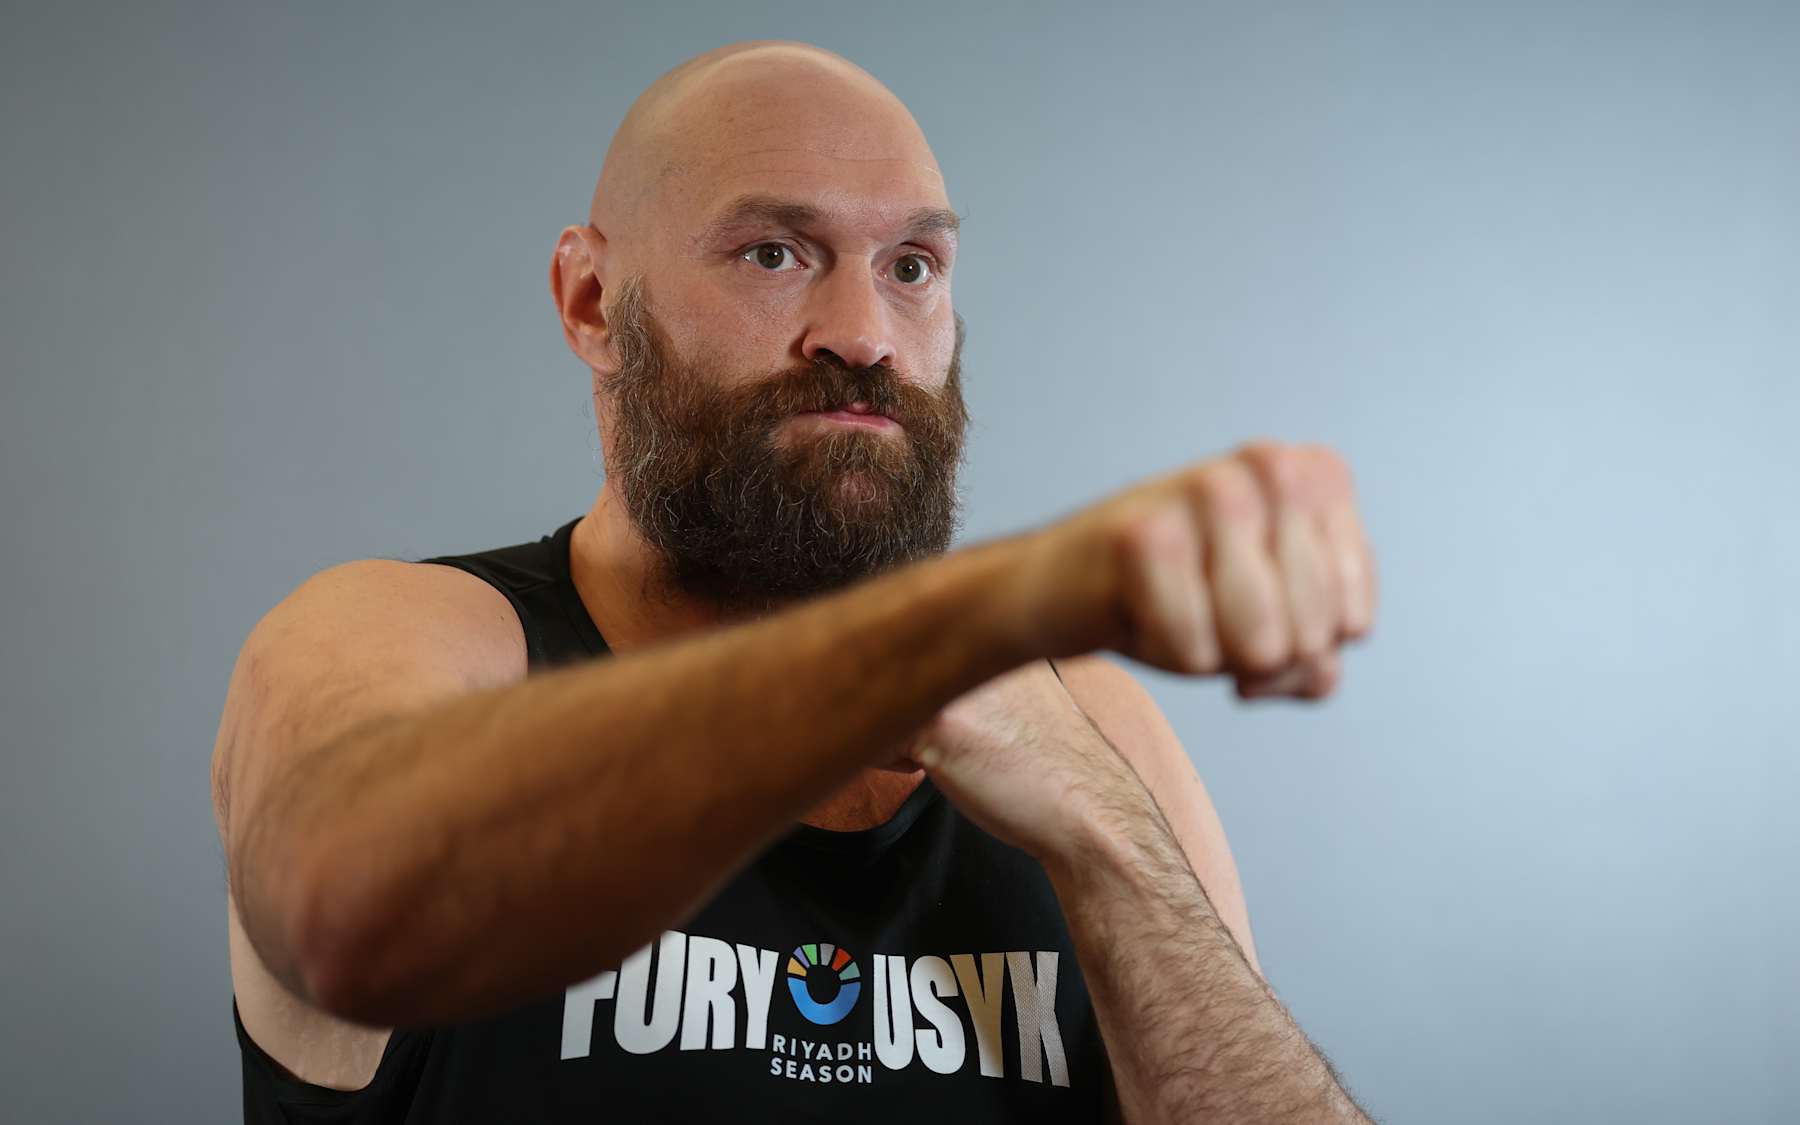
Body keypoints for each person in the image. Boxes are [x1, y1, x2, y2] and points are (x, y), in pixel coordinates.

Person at [211, 38, 1379, 1124]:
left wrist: (1106, 841)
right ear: (591, 303)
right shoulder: (421, 636)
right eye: (774, 253)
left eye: (912, 266)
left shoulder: (1089, 724)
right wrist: (923, 641)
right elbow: (334, 914)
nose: (863, 334)